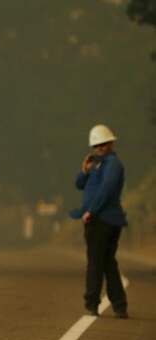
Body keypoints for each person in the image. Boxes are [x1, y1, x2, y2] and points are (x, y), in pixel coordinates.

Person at [70, 124, 128, 318]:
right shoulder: (96, 164)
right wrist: (85, 170)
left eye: (103, 144)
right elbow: (79, 184)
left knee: (95, 263)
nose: (100, 148)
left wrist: (91, 212)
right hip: (100, 219)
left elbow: (107, 189)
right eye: (96, 145)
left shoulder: (113, 164)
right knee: (108, 263)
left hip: (103, 220)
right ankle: (119, 305)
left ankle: (92, 304)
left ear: (111, 143)